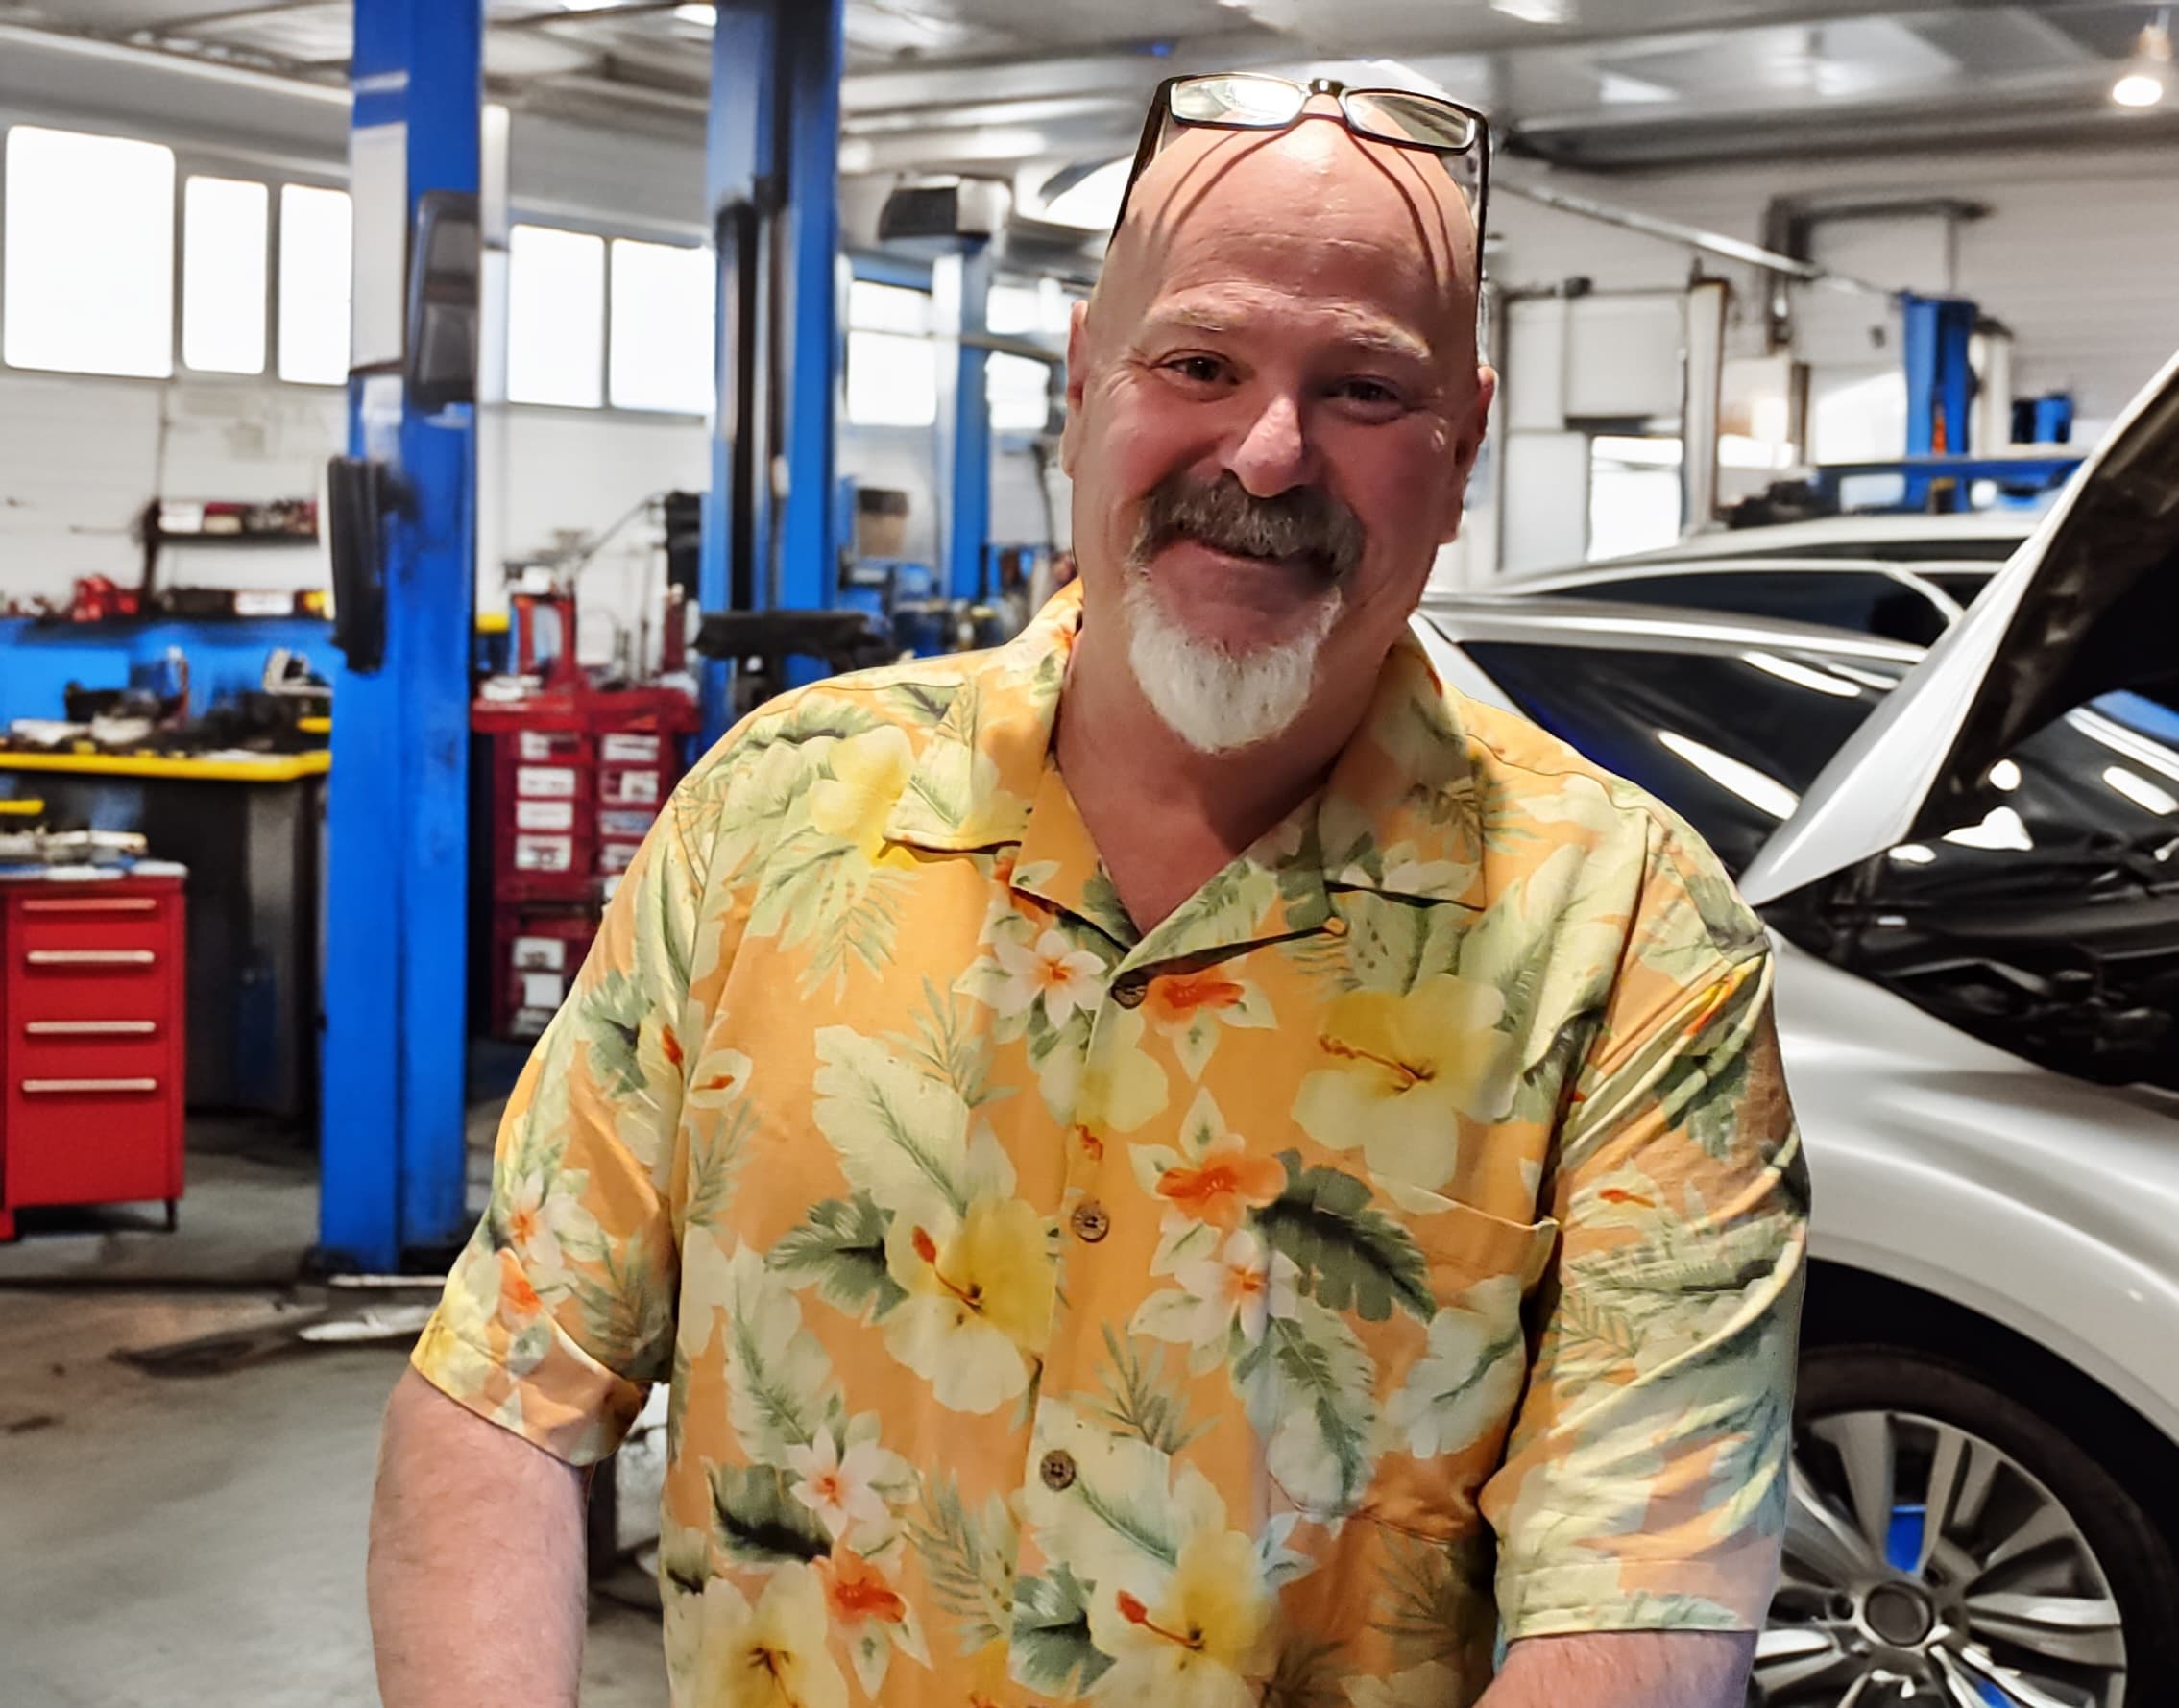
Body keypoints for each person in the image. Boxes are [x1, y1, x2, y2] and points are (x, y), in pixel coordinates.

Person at [370, 74, 1807, 1708]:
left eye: (1359, 387)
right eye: (1198, 363)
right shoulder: (772, 820)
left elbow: (1645, 1592)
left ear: (1460, 440)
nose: (1266, 454)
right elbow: (501, 1393)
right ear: (1080, 381)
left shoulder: (1626, 935)